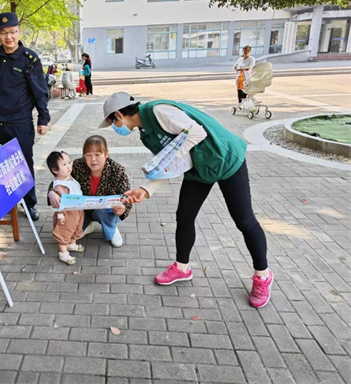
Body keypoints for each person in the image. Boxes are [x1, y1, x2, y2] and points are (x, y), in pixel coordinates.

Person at [100, 92, 273, 308]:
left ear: (118, 114)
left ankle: (263, 276)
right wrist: (145, 189)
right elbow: (168, 165)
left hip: (225, 158)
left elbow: (197, 133)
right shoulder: (146, 135)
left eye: (112, 123)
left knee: (244, 220)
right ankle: (182, 268)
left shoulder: (158, 111)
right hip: (199, 168)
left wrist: (174, 155)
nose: (116, 129)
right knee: (184, 216)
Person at [0, 12, 50, 221]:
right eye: (3, 33)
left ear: (19, 31)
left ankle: (29, 205)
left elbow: (40, 90)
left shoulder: (29, 58)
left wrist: (43, 119)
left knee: (24, 165)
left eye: (12, 32)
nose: (8, 37)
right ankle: (5, 204)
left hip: (20, 123)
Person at [48, 136, 131, 248]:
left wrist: (123, 208)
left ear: (106, 154)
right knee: (68, 235)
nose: (93, 159)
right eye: (88, 155)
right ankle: (88, 225)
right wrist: (51, 193)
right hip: (82, 210)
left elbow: (126, 196)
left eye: (97, 155)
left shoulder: (117, 170)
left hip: (106, 210)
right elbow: (58, 180)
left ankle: (111, 226)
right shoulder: (77, 166)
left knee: (103, 213)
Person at [46, 151, 85, 265]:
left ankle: (72, 244)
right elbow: (59, 204)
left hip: (77, 209)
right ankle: (63, 252)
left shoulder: (68, 177)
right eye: (64, 165)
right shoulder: (59, 185)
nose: (69, 166)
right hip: (66, 213)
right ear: (55, 170)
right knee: (64, 231)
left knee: (76, 227)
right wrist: (60, 215)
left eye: (69, 162)